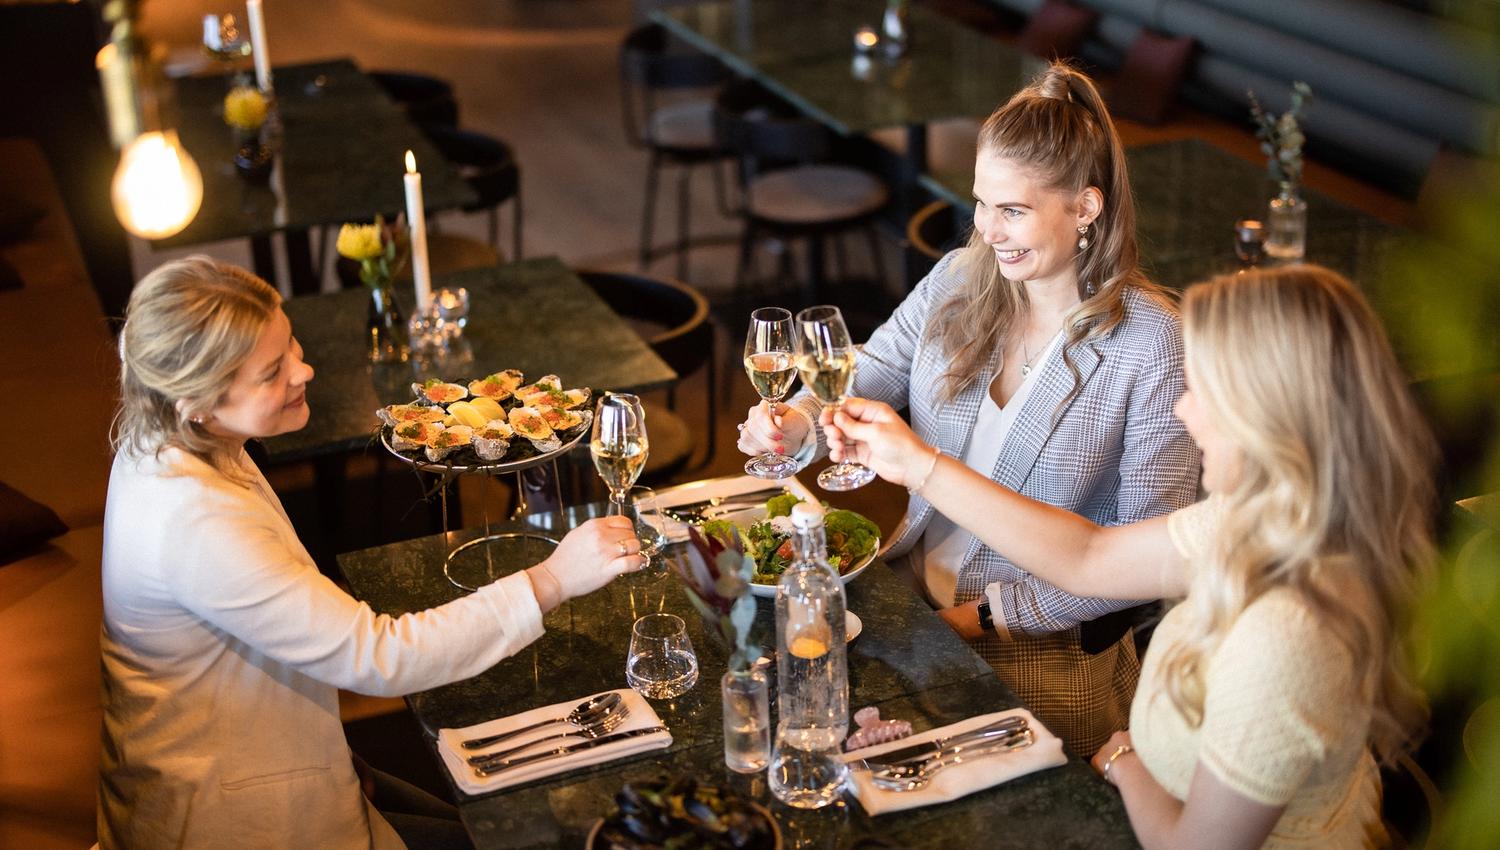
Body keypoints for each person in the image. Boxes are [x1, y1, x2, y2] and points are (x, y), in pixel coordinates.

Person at [822, 265, 1434, 848]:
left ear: (1270, 417)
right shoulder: (1268, 522)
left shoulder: (1285, 633)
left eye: (1205, 391)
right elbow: (1089, 557)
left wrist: (1122, 759)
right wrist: (921, 468)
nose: (1183, 410)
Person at [99, 257, 645, 850]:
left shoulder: (173, 437)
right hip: (231, 815)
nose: (304, 370)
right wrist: (554, 578)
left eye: (292, 346)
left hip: (281, 754)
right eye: (272, 371)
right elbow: (378, 656)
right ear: (195, 399)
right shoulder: (194, 522)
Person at [737, 61, 1200, 755]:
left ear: (1085, 208)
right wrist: (800, 420)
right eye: (982, 204)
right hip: (908, 602)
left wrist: (974, 621)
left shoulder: (1154, 344)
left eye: (1013, 210)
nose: (988, 231)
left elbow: (1146, 555)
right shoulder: (962, 278)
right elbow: (878, 364)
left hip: (1044, 655)